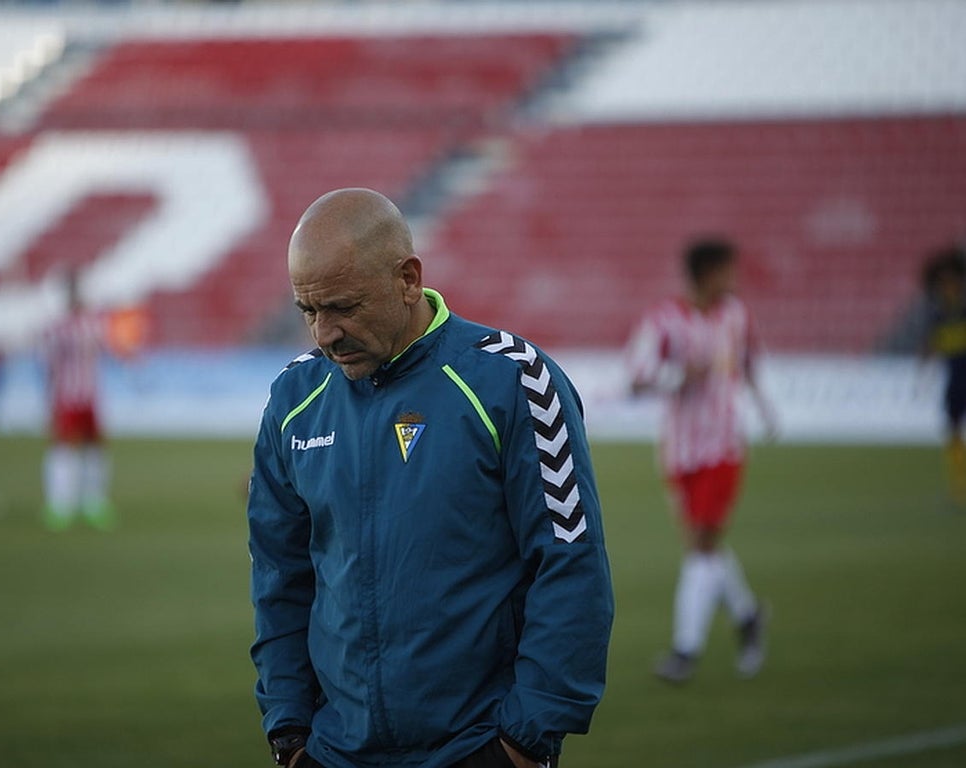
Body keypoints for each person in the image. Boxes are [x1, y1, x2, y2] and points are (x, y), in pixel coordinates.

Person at [248, 188, 614, 768]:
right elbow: (279, 579)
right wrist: (289, 734)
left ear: (408, 279)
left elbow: (571, 563)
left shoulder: (514, 382)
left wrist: (524, 740)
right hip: (334, 752)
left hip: (478, 748)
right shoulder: (294, 400)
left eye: (343, 307)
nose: (324, 333)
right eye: (309, 311)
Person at [625, 237, 775, 685]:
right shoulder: (665, 320)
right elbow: (636, 378)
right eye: (728, 271)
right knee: (701, 546)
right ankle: (748, 617)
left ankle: (684, 651)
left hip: (723, 445)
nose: (734, 280)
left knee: (702, 543)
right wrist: (677, 376)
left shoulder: (736, 315)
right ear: (707, 273)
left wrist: (765, 408)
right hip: (681, 449)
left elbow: (748, 363)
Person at [38, 269, 116, 532]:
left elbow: (109, 349)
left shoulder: (93, 324)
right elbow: (47, 363)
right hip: (67, 396)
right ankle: (60, 505)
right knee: (64, 447)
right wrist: (49, 398)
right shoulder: (57, 328)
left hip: (90, 395)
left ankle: (94, 503)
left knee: (94, 447)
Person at [918, 244, 966, 504]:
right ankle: (960, 486)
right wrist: (923, 363)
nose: (946, 286)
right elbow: (932, 343)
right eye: (942, 282)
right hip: (956, 378)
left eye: (951, 280)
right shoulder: (939, 313)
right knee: (953, 427)